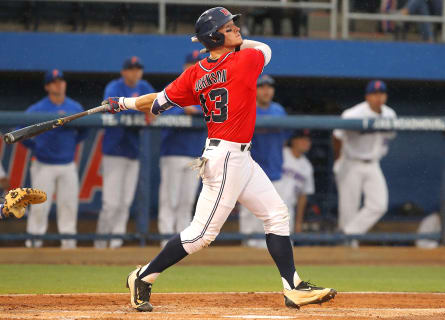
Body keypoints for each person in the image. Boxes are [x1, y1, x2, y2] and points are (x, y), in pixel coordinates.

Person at [102, 7, 336, 312]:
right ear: (214, 36)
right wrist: (230, 46)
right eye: (227, 27)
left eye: (233, 25)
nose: (236, 29)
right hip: (225, 157)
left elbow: (157, 103)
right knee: (201, 234)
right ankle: (143, 277)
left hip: (238, 156)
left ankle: (293, 287)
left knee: (276, 214)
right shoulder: (245, 59)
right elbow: (264, 48)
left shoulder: (195, 73)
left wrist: (123, 103)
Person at [23, 69, 87, 249]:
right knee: (39, 207)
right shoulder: (37, 108)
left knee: (68, 206)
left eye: (61, 80)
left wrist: (72, 143)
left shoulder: (74, 107)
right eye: (54, 81)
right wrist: (37, 148)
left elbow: (86, 130)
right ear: (47, 86)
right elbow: (20, 131)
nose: (59, 84)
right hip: (43, 164)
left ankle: (68, 247)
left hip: (67, 164)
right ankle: (33, 246)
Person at [95, 56, 155, 249]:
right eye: (131, 69)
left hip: (134, 152)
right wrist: (141, 111)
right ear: (124, 71)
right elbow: (113, 108)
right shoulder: (114, 87)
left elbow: (155, 107)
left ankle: (115, 244)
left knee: (125, 203)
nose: (135, 72)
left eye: (138, 68)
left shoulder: (144, 87)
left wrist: (146, 111)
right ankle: (100, 243)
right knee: (110, 203)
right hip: (114, 151)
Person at [332, 80, 397, 246]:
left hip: (373, 163)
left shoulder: (390, 114)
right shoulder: (353, 114)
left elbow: (388, 138)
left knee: (379, 205)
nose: (378, 97)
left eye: (381, 93)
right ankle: (346, 249)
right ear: (367, 96)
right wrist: (338, 159)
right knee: (348, 209)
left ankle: (346, 234)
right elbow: (337, 136)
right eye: (374, 94)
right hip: (351, 162)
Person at [158, 51, 207, 247]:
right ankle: (164, 241)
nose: (194, 68)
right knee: (169, 199)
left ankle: (181, 243)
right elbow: (158, 111)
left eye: (197, 65)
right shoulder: (174, 88)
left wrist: (195, 111)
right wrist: (182, 110)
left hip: (196, 154)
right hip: (172, 152)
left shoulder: (209, 90)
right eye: (190, 65)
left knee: (187, 202)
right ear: (184, 67)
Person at [239, 74, 287, 248]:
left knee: (275, 214)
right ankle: (247, 254)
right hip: (251, 171)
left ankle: (273, 253)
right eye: (262, 87)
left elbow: (285, 139)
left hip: (275, 170)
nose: (266, 90)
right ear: (255, 89)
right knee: (250, 215)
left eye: (269, 87)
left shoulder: (279, 111)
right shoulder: (246, 108)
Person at [275, 130, 315, 234]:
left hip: (288, 211)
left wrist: (298, 222)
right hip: (268, 205)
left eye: (308, 140)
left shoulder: (307, 166)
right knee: (255, 244)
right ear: (293, 141)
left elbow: (303, 196)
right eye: (302, 139)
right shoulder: (281, 153)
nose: (306, 142)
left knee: (284, 248)